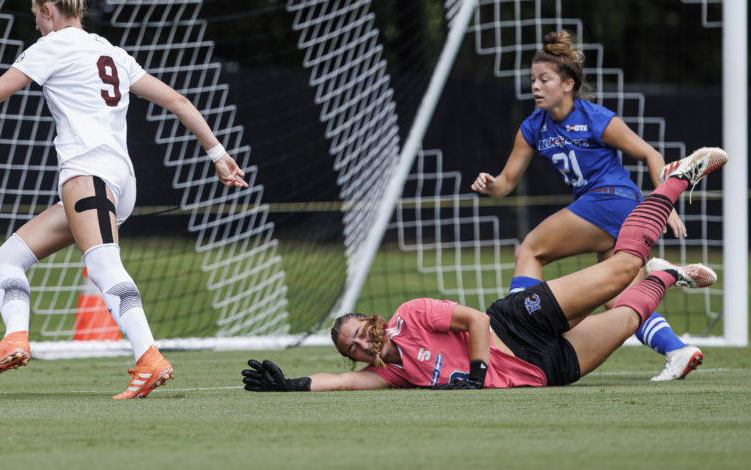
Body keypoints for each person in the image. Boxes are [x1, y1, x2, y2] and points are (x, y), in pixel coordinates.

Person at [0, 0, 248, 400]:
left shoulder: (52, 46)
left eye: (36, 16)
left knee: (101, 264)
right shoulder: (111, 51)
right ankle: (14, 340)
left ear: (49, 11)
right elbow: (180, 102)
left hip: (88, 174)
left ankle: (148, 356)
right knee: (8, 260)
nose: (36, 24)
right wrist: (218, 154)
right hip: (118, 180)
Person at [241, 147, 725, 392]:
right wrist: (291, 386)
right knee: (627, 317)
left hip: (519, 322)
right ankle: (666, 276)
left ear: (373, 320)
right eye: (355, 348)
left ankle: (675, 180)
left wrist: (475, 373)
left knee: (621, 270)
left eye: (360, 332)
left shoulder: (411, 314)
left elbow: (476, 320)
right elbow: (342, 382)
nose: (363, 344)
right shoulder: (392, 372)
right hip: (543, 370)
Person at [470, 30, 698, 381]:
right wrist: (490, 185)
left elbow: (650, 153)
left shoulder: (595, 118)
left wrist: (667, 203)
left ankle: (524, 328)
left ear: (568, 84)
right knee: (618, 299)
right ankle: (678, 350)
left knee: (530, 249)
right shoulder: (533, 127)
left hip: (613, 202)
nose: (535, 86)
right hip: (611, 211)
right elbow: (506, 183)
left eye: (544, 79)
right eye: (532, 79)